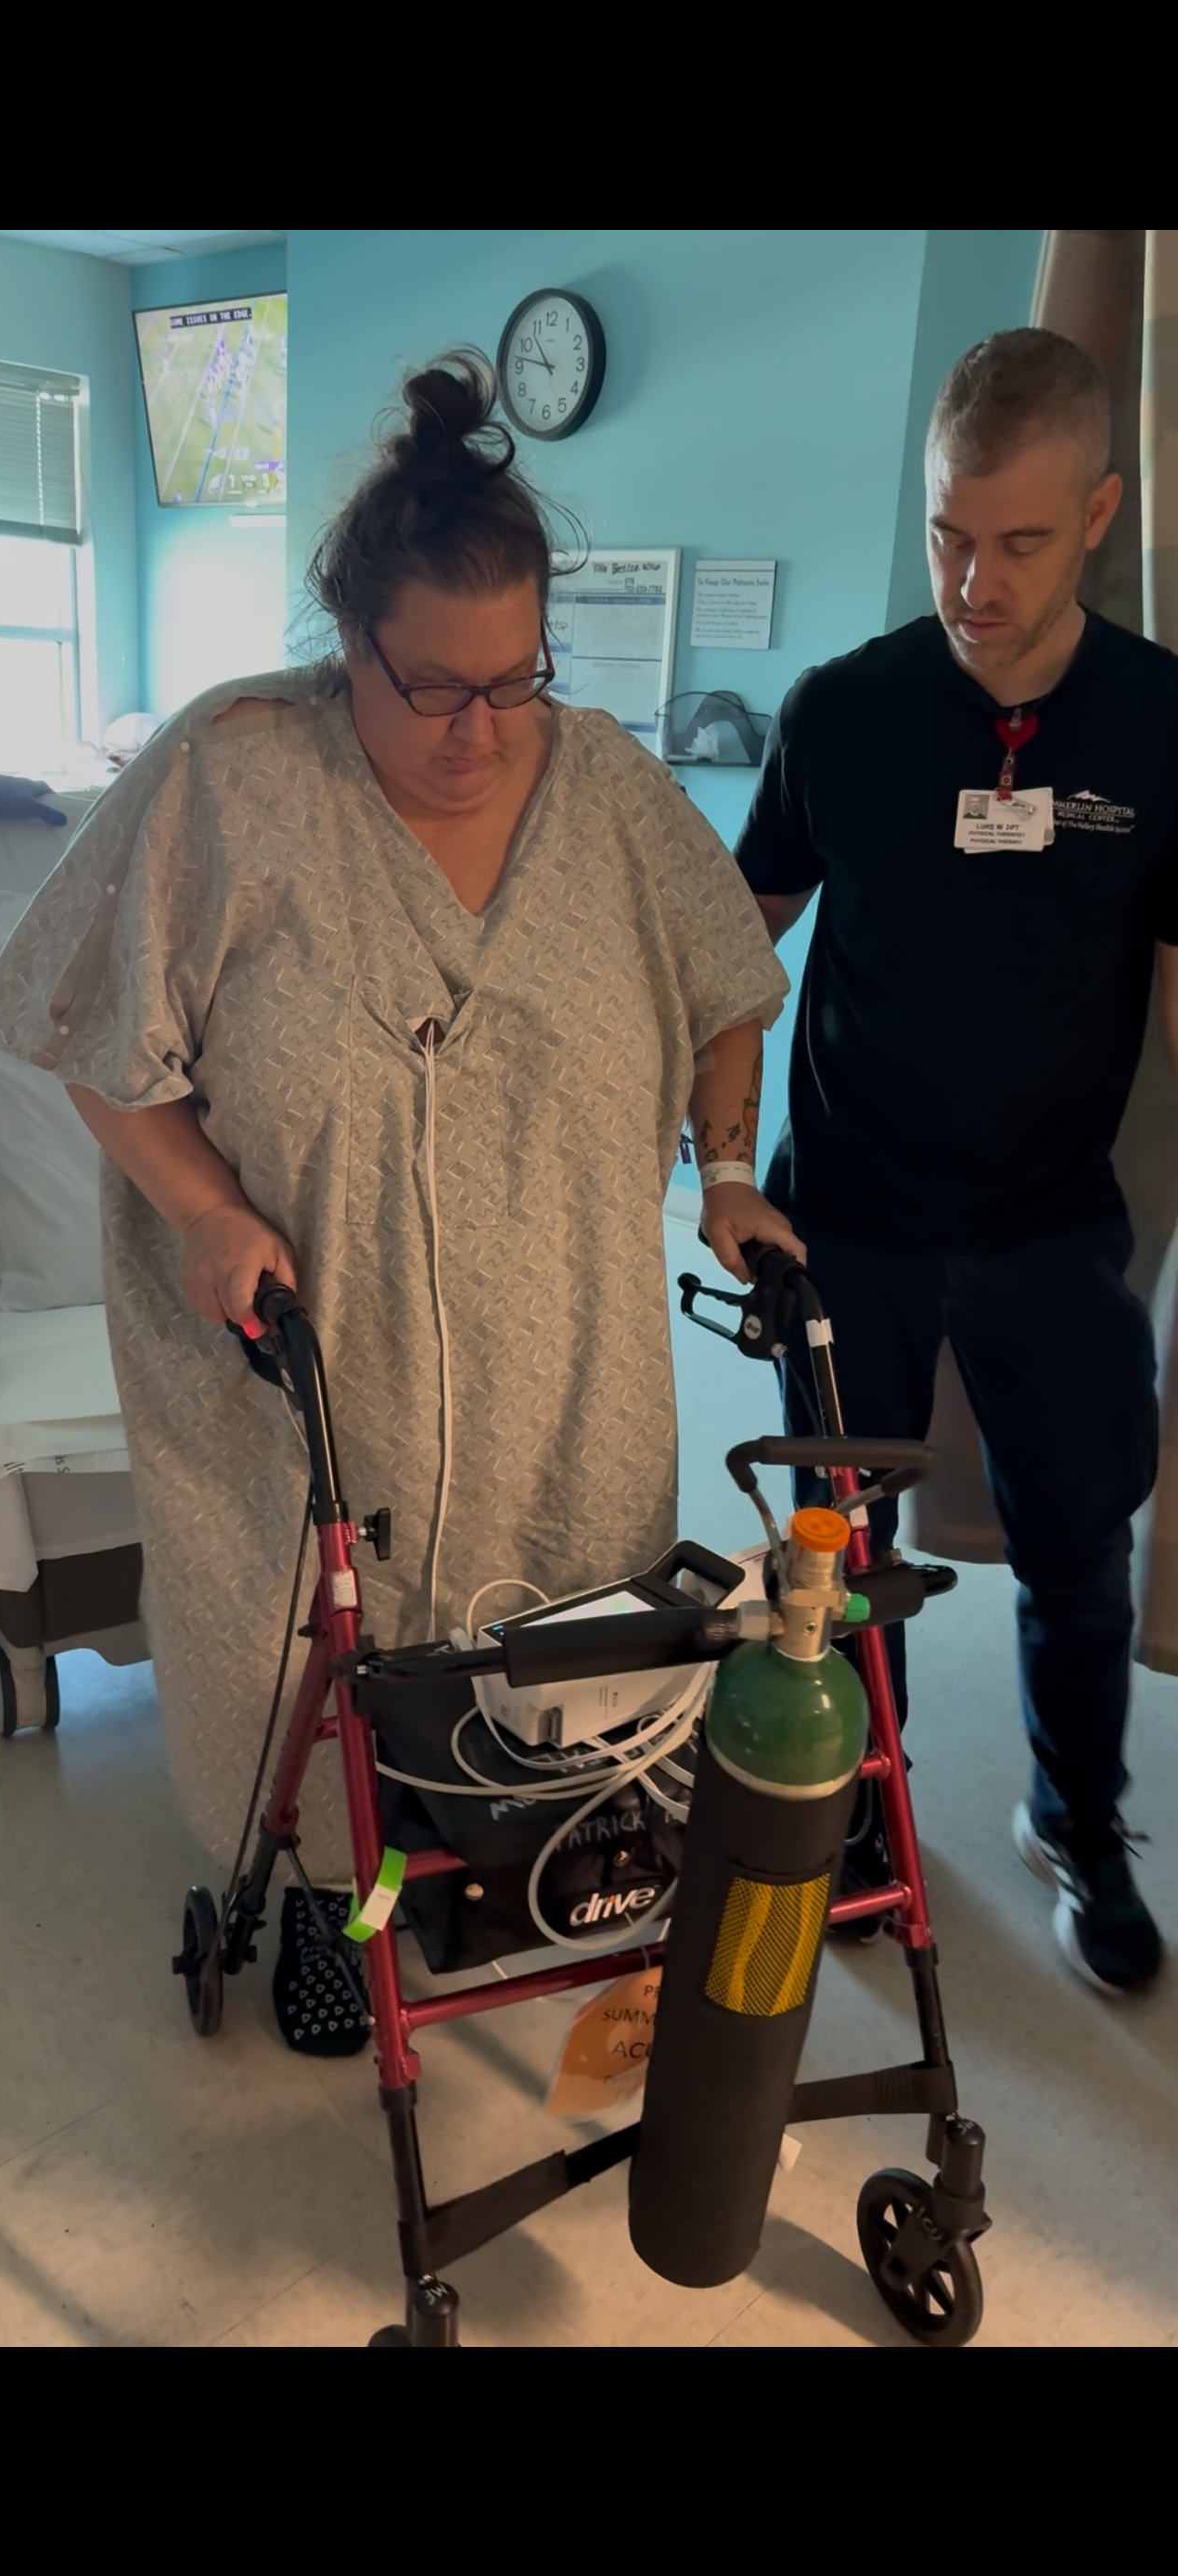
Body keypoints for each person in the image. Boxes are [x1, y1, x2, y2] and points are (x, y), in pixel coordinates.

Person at [0, 351, 796, 2051]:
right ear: (345, 640)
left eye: (514, 680)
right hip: (305, 1350)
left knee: (555, 1633)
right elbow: (83, 1027)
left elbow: (730, 974)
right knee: (298, 1648)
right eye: (430, 684)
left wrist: (727, 1170)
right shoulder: (231, 776)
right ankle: (311, 1890)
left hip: (562, 1355)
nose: (477, 729)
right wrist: (204, 1210)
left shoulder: (607, 789)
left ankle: (524, 1861)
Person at [736, 326, 1178, 1996]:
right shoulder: (844, 711)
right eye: (947, 535)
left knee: (1080, 1543)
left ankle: (1077, 1819)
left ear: (1101, 516)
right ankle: (867, 1807)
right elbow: (739, 945)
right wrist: (715, 1156)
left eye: (1021, 542)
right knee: (839, 1547)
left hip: (1051, 1219)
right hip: (848, 1213)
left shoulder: (1160, 722)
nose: (974, 584)